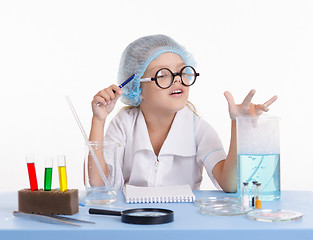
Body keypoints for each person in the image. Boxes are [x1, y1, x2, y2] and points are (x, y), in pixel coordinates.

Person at [89, 34, 277, 192]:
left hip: (184, 225)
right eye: (163, 75)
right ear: (136, 87)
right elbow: (98, 184)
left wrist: (239, 124)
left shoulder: (197, 128)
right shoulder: (124, 124)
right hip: (137, 223)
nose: (177, 80)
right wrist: (99, 120)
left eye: (182, 72)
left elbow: (228, 184)